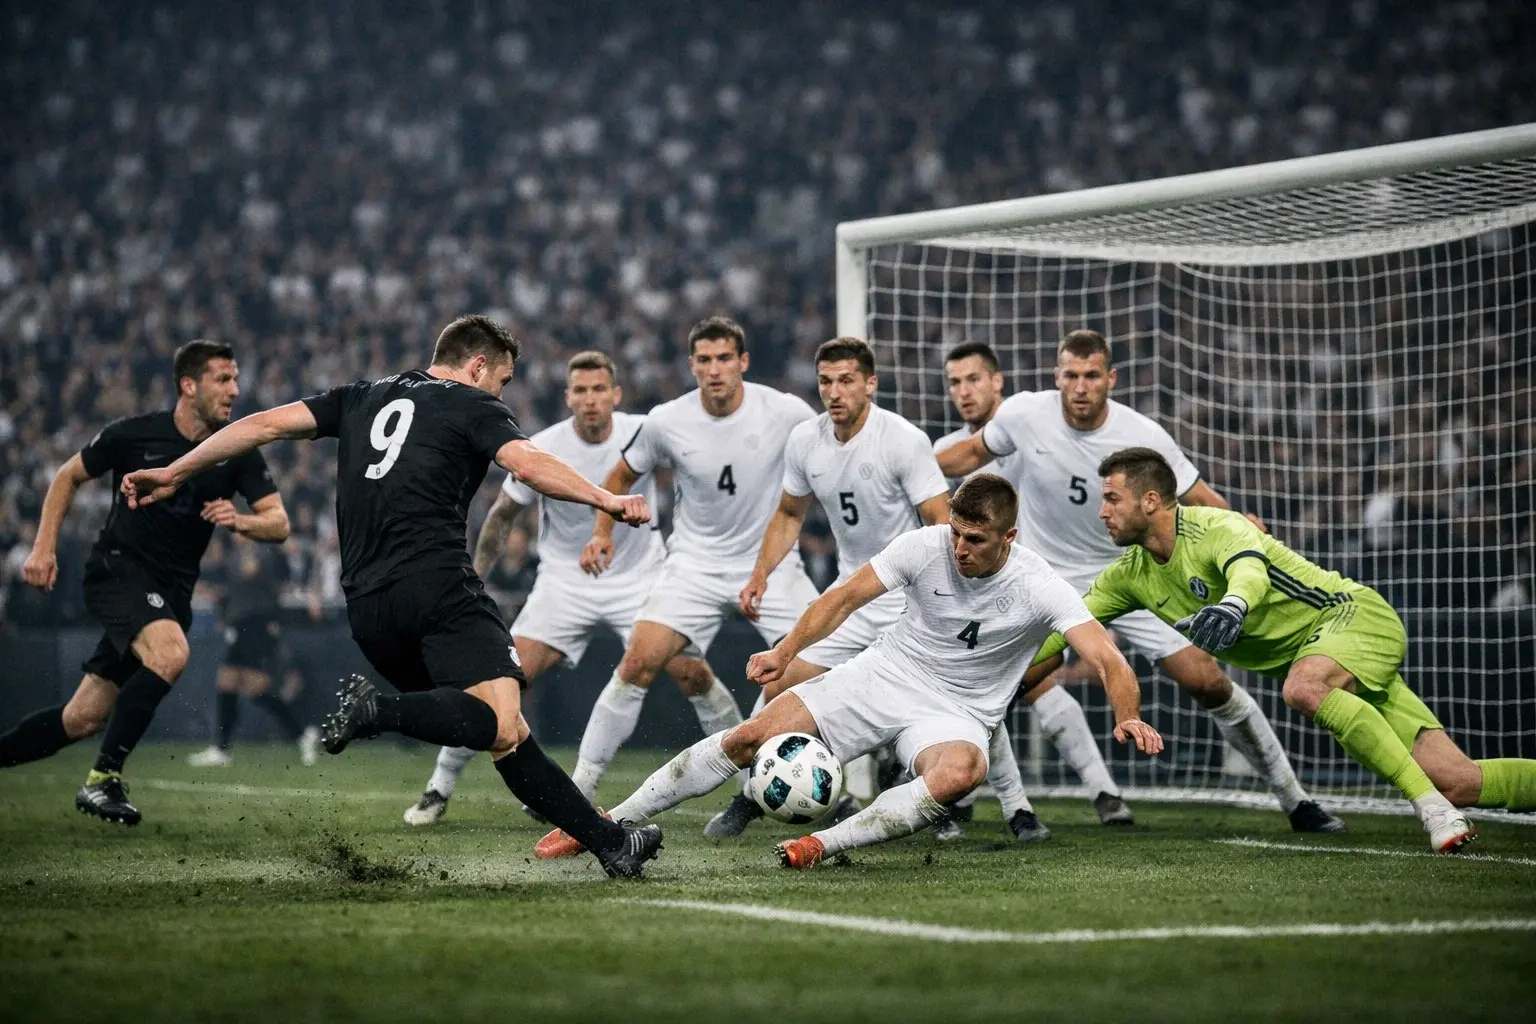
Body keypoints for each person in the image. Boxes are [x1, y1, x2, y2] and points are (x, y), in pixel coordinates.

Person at [122, 315, 662, 877]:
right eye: (502, 379)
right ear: (478, 366)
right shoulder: (474, 404)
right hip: (438, 588)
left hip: (368, 609)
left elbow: (261, 425)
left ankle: (610, 844)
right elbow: (527, 464)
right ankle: (379, 709)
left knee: (504, 730)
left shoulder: (359, 397)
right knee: (498, 722)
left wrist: (177, 471)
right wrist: (607, 500)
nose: (502, 392)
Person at [535, 474, 1162, 868]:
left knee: (961, 773)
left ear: (1009, 537)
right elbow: (842, 599)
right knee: (750, 737)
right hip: (888, 673)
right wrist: (785, 651)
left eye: (975, 539)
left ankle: (819, 847)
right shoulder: (927, 545)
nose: (960, 548)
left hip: (960, 712)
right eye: (957, 534)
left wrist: (1128, 714)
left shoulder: (1038, 583)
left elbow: (1105, 656)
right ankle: (607, 823)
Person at [1035, 446, 1536, 853]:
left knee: (1304, 687)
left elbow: (1249, 571)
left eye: (1111, 499)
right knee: (1460, 780)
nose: (1101, 512)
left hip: (1350, 616)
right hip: (1332, 651)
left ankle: (1431, 811)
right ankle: (1446, 797)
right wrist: (1007, 668)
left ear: (1148, 501)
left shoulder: (1217, 527)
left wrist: (1233, 606)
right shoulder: (1130, 575)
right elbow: (1067, 628)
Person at [938, 331, 1344, 834]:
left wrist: (1242, 527)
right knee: (1003, 680)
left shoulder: (1143, 434)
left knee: (1208, 681)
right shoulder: (1023, 414)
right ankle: (994, 803)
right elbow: (968, 455)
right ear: (1056, 377)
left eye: (1091, 376)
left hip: (1136, 576)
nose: (1080, 387)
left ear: (1111, 378)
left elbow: (1198, 496)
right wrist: (910, 468)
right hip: (1050, 581)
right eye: (1071, 376)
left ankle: (1295, 799)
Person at [705, 336, 1050, 844]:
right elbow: (788, 514)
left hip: (914, 598)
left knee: (968, 698)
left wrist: (953, 597)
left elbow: (942, 522)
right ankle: (752, 794)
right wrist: (760, 574)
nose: (834, 391)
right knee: (780, 684)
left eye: (846, 380)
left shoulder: (902, 441)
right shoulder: (805, 441)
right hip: (856, 594)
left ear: (870, 384)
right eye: (825, 381)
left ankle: (1014, 809)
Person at [402, 350, 715, 825]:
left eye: (598, 390)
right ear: (568, 396)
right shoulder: (543, 445)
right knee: (499, 685)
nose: (590, 400)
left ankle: (751, 784)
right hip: (564, 585)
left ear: (616, 394)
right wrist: (475, 576)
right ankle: (438, 788)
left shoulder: (644, 432)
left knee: (693, 673)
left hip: (641, 581)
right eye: (580, 391)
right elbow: (503, 514)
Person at [0, 341, 289, 826]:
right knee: (172, 653)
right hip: (118, 571)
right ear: (188, 385)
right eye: (223, 379)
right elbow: (68, 476)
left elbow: (278, 523)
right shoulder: (133, 436)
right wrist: (42, 546)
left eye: (236, 379)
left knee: (82, 719)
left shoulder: (235, 451)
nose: (234, 390)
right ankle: (103, 779)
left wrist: (240, 521)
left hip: (171, 593)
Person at [564, 316, 819, 800]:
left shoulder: (786, 412)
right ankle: (581, 786)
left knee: (810, 672)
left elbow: (828, 455)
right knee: (638, 659)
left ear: (743, 362)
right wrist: (603, 533)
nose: (715, 369)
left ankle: (773, 785)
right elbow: (619, 478)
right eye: (704, 360)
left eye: (725, 358)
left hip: (771, 566)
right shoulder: (667, 420)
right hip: (694, 566)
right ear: (692, 365)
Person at [933, 340, 1131, 830]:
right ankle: (1093, 794)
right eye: (955, 383)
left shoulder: (1032, 428)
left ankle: (1067, 795)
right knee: (1020, 687)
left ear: (998, 381)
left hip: (1046, 580)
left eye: (974, 379)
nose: (965, 391)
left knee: (1024, 682)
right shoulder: (947, 456)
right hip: (976, 590)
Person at [187, 537, 322, 768]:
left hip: (258, 625)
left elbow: (258, 576)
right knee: (231, 684)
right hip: (241, 626)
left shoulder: (262, 553)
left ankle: (301, 733)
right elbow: (226, 586)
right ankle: (222, 748)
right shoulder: (233, 557)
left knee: (253, 687)